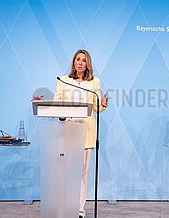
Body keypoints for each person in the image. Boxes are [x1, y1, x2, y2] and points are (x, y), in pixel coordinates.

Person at [53, 49, 108, 218]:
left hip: (86, 133)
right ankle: (64, 208)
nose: (80, 63)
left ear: (87, 64)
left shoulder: (95, 82)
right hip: (68, 131)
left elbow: (96, 107)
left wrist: (103, 104)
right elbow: (56, 102)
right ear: (73, 62)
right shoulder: (63, 81)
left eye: (84, 60)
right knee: (66, 173)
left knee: (83, 174)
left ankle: (79, 211)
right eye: (78, 59)